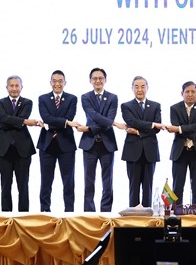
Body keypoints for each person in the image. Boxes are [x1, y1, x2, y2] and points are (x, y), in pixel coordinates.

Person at [0, 75, 43, 212]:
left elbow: (9, 120)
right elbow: (3, 118)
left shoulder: (27, 102)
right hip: (4, 149)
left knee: (23, 186)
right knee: (5, 185)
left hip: (23, 149)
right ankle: (6, 215)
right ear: (7, 87)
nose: (14, 88)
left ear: (21, 87)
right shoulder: (0, 102)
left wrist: (14, 121)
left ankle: (24, 215)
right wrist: (24, 122)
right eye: (11, 86)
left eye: (17, 86)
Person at [37, 70, 80, 212]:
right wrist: (65, 122)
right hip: (47, 145)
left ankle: (69, 213)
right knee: (46, 182)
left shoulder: (72, 98)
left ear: (65, 83)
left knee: (68, 182)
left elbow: (70, 116)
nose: (57, 84)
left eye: (60, 81)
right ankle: (44, 212)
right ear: (50, 83)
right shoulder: (43, 98)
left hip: (66, 145)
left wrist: (51, 123)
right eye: (54, 81)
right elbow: (46, 117)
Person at [78, 68, 119, 212]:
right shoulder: (85, 97)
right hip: (89, 144)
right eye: (94, 78)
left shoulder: (113, 97)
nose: (98, 81)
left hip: (107, 143)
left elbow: (109, 121)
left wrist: (89, 128)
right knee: (89, 181)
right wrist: (109, 122)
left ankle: (106, 212)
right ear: (90, 81)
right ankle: (89, 213)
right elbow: (94, 116)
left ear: (105, 80)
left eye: (101, 78)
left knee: (107, 181)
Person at [163, 81, 196, 205]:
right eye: (187, 92)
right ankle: (176, 216)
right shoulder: (174, 108)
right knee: (177, 186)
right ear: (182, 93)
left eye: (193, 92)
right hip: (180, 151)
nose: (190, 94)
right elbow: (177, 127)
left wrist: (180, 128)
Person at [119, 76, 162, 207]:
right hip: (132, 151)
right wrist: (151, 125)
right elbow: (132, 122)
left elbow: (158, 128)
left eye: (143, 86)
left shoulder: (155, 105)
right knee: (134, 185)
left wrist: (138, 131)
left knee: (148, 186)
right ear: (132, 89)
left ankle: (148, 214)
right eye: (136, 86)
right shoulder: (126, 106)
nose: (140, 89)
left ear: (147, 88)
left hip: (150, 150)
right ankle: (133, 216)